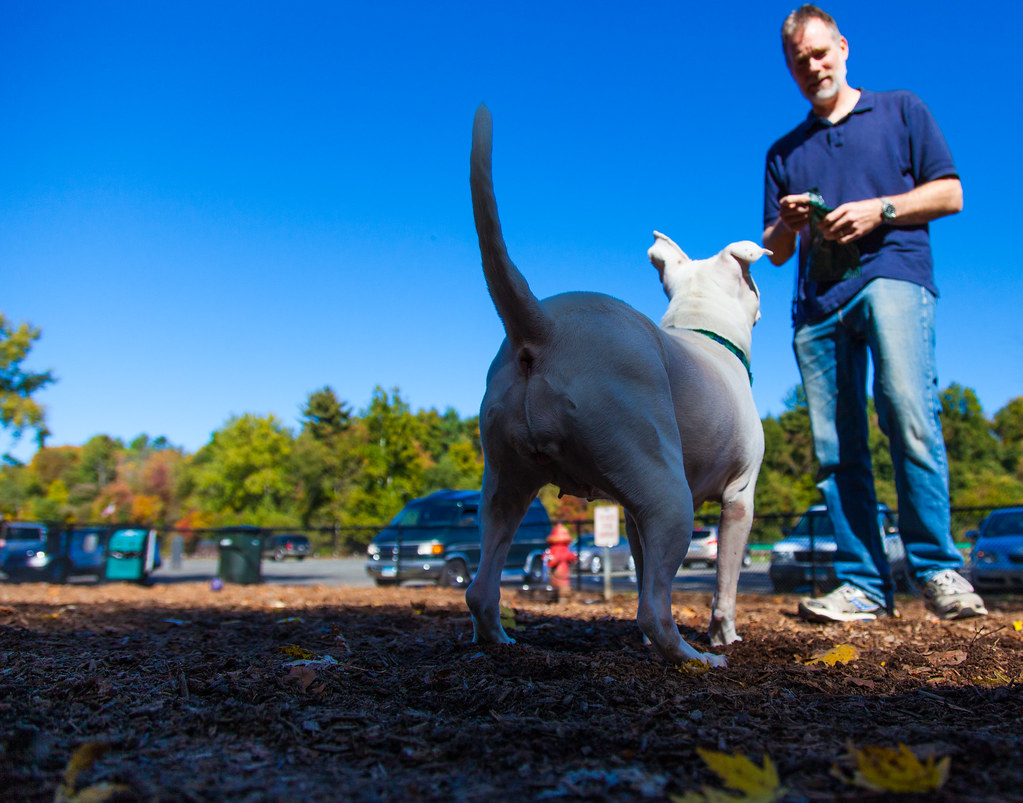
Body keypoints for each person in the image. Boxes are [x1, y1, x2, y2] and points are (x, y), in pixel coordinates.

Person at [762, 5, 986, 622]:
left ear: (843, 47)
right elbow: (775, 251)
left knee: (908, 413)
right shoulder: (784, 150)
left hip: (893, 277)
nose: (812, 67)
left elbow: (951, 192)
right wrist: (790, 221)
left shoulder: (901, 109)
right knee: (836, 449)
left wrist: (878, 211)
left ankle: (938, 569)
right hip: (817, 307)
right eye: (798, 60)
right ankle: (863, 582)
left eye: (819, 52)